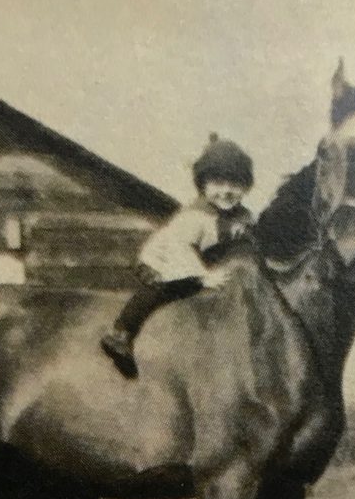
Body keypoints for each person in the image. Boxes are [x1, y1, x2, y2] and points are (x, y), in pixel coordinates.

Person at [100, 134, 254, 378]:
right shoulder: (195, 217)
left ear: (245, 186)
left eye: (235, 184)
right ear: (203, 185)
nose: (226, 191)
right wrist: (203, 278)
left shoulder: (242, 216)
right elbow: (181, 249)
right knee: (162, 290)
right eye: (217, 183)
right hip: (166, 259)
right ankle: (122, 333)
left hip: (202, 260)